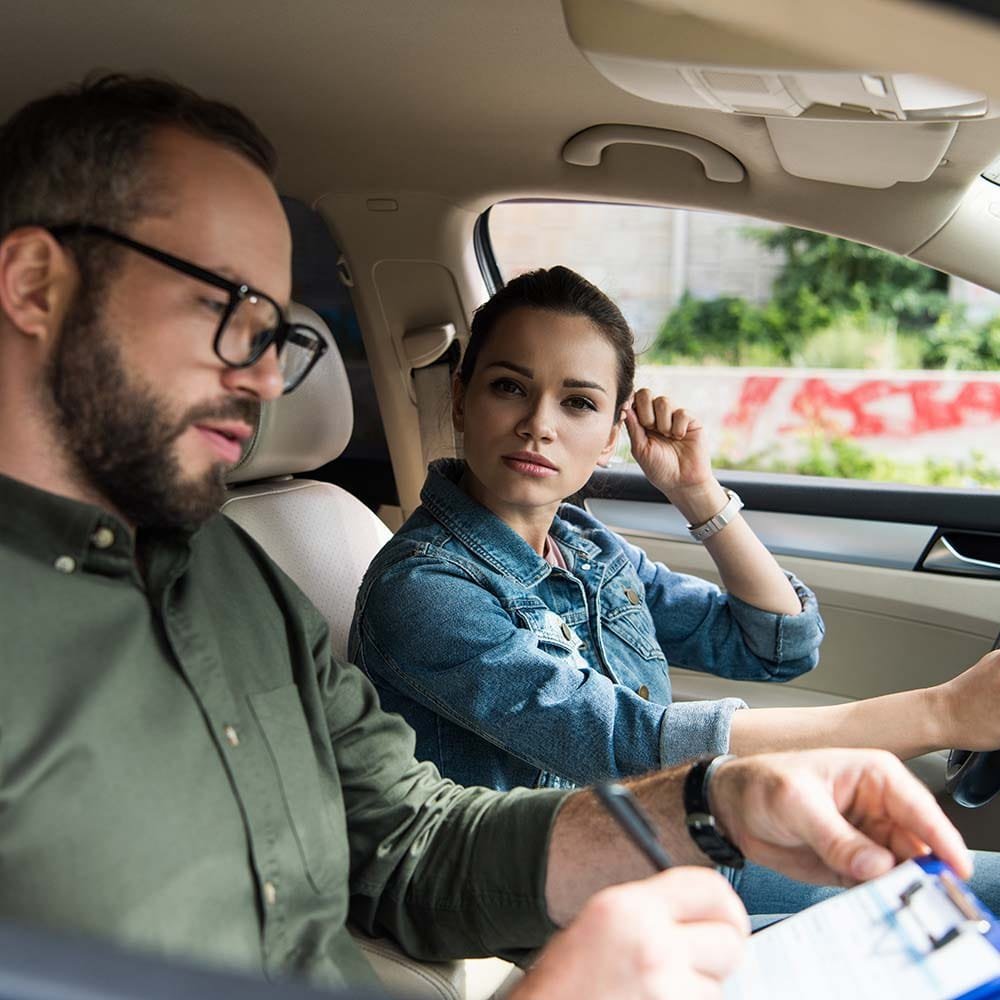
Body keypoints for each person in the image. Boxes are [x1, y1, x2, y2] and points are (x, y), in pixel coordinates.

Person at [0, 73, 976, 1000]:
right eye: (226, 308)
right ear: (37, 283)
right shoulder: (417, 583)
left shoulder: (233, 574)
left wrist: (711, 809)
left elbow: (411, 845)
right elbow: (620, 738)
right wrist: (931, 714)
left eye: (278, 330)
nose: (264, 378)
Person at [349, 265, 1000, 918]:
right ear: (460, 398)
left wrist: (698, 494)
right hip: (557, 885)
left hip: (660, 843)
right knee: (964, 895)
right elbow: (630, 747)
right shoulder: (426, 588)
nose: (538, 425)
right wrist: (943, 714)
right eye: (509, 387)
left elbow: (777, 645)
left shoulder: (585, 548)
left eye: (577, 402)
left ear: (611, 436)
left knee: (967, 884)